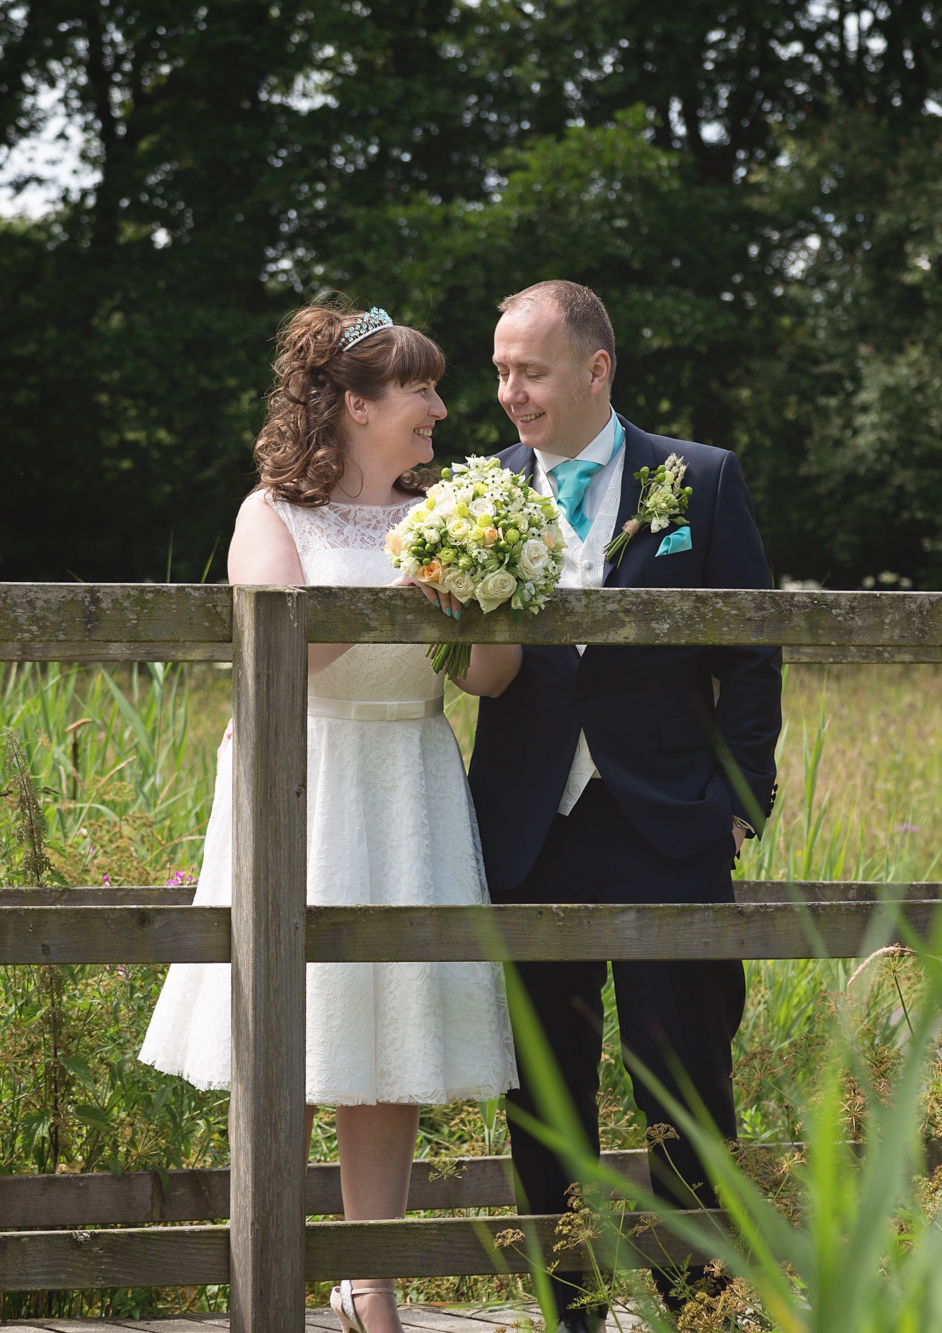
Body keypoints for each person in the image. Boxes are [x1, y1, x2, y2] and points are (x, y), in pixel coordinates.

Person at [137, 301, 521, 1333]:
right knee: (291, 1028)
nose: (441, 408)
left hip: (409, 770)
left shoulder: (449, 506)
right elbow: (281, 665)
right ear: (353, 405)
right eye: (420, 390)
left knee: (386, 1031)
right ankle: (266, 1269)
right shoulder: (271, 514)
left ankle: (369, 1281)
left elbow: (491, 676)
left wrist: (476, 591)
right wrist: (399, 590)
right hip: (303, 774)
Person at [466, 279, 783, 1333]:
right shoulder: (476, 496)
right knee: (541, 1095)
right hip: (527, 827)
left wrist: (740, 799)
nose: (510, 391)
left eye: (532, 370)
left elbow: (748, 649)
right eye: (501, 370)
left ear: (595, 369)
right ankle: (570, 1315)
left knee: (684, 1082)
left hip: (666, 821)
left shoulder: (697, 478)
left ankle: (696, 1309)